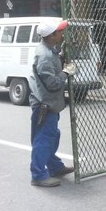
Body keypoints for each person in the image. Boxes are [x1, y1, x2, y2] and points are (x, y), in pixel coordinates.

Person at [29, 18, 75, 187]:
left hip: (48, 103)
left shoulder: (49, 50)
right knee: (44, 139)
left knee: (51, 136)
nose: (62, 34)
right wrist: (66, 73)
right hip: (45, 104)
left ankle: (54, 167)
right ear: (51, 36)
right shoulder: (46, 56)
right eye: (59, 32)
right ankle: (38, 175)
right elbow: (53, 83)